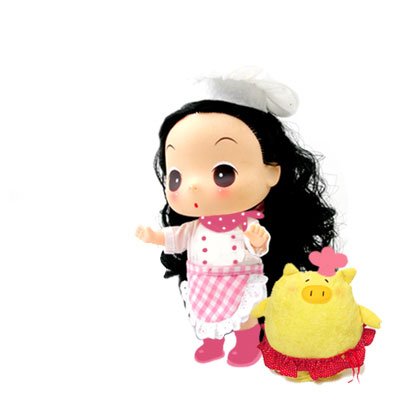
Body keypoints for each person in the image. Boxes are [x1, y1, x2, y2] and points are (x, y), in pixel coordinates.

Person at [135, 68, 336, 367]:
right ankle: (212, 342)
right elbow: (177, 237)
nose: (193, 186)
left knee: (246, 315)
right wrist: (155, 237)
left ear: (272, 171)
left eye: (223, 173)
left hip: (240, 280)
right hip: (204, 283)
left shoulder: (247, 224)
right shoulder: (195, 226)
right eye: (177, 176)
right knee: (205, 315)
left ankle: (246, 344)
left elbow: (259, 247)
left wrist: (257, 240)